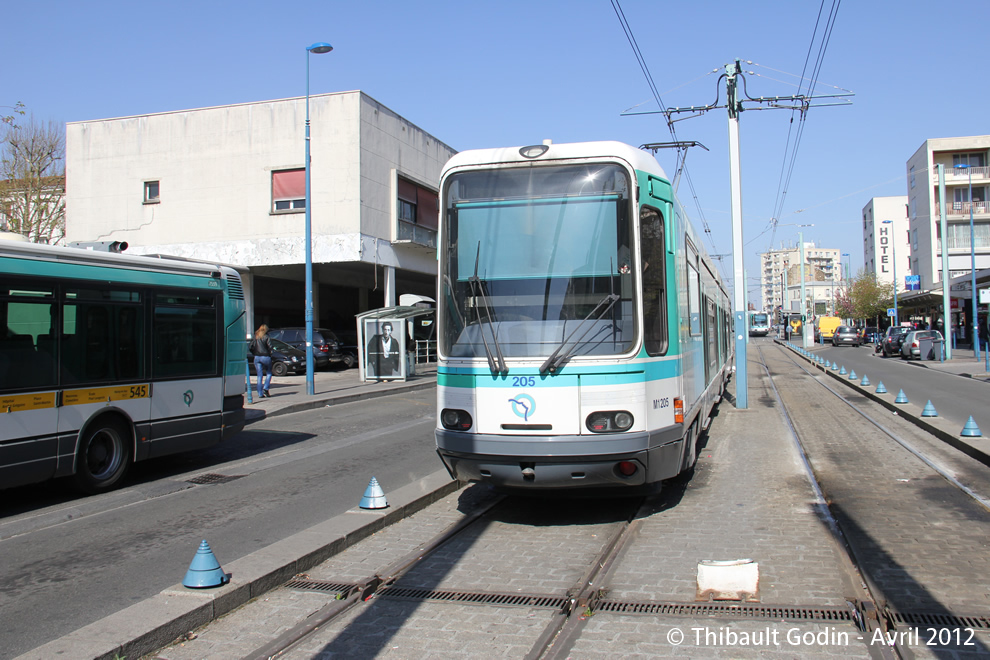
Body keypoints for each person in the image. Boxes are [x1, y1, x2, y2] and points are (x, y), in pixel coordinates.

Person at [249, 324, 274, 398]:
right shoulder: (266, 337)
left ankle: (260, 393)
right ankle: (266, 388)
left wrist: (254, 353)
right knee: (269, 373)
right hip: (265, 356)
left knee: (259, 376)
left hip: (257, 357)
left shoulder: (256, 337)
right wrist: (270, 354)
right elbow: (270, 347)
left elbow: (250, 347)